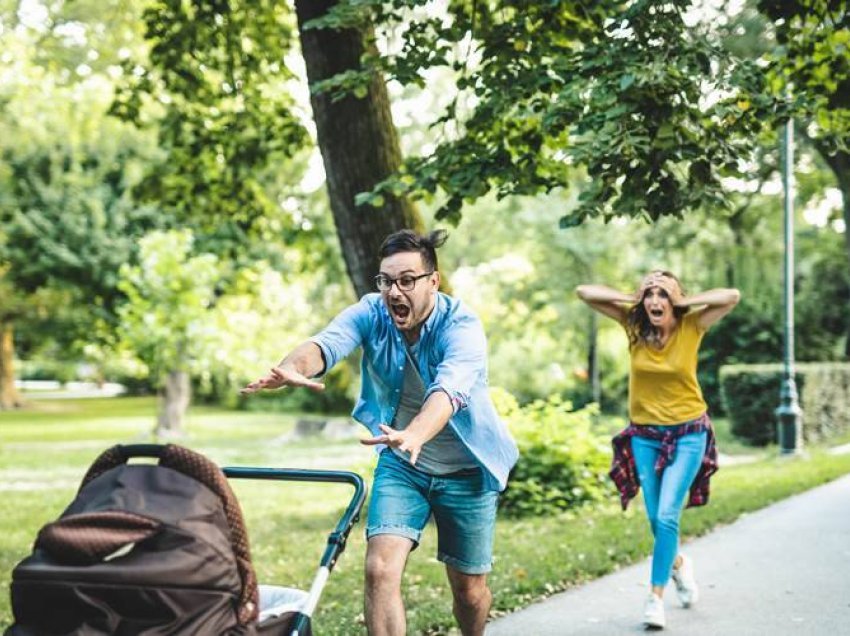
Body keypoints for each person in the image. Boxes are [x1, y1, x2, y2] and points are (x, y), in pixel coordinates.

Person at [242, 229, 518, 636]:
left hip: (466, 472)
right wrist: (293, 368)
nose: (394, 291)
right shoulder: (370, 312)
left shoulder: (461, 325)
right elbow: (327, 344)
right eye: (387, 281)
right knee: (379, 568)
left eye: (407, 280)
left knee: (469, 591)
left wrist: (417, 433)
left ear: (433, 282)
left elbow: (450, 390)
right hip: (402, 465)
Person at [576, 271, 739, 630]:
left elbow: (731, 296)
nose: (655, 302)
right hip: (645, 436)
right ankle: (678, 564)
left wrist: (684, 302)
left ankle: (655, 597)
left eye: (662, 295)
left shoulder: (692, 325)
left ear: (675, 301)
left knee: (667, 516)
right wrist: (632, 296)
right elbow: (585, 290)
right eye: (649, 295)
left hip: (689, 433)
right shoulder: (634, 328)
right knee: (655, 518)